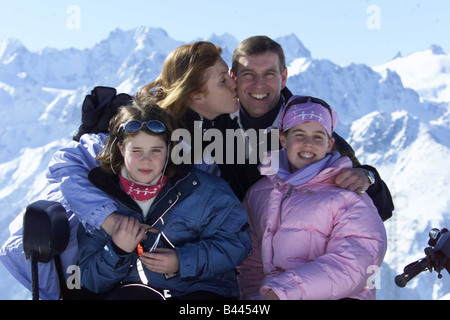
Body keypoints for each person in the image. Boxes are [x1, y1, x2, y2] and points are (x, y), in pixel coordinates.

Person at [0, 41, 245, 300]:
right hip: (94, 267)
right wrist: (109, 220)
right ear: (196, 95)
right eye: (223, 80)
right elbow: (65, 164)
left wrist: (182, 260)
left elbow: (228, 234)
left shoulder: (207, 144)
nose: (234, 84)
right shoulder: (139, 127)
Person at [77, 100, 250, 299]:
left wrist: (181, 260)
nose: (146, 159)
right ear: (121, 148)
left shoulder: (205, 191)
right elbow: (89, 279)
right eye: (136, 150)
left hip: (200, 291)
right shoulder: (102, 202)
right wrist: (117, 251)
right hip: (134, 292)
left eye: (156, 150)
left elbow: (236, 244)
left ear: (169, 149)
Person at [229, 35, 394, 221]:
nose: (259, 84)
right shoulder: (214, 124)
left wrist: (367, 177)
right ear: (233, 77)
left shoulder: (308, 128)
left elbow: (381, 208)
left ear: (283, 78)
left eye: (269, 74)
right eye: (248, 74)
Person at [237, 95, 387, 300]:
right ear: (283, 139)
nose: (308, 144)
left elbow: (354, 264)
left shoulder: (348, 194)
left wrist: (281, 293)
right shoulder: (259, 194)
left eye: (318, 136)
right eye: (299, 135)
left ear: (329, 144)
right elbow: (251, 264)